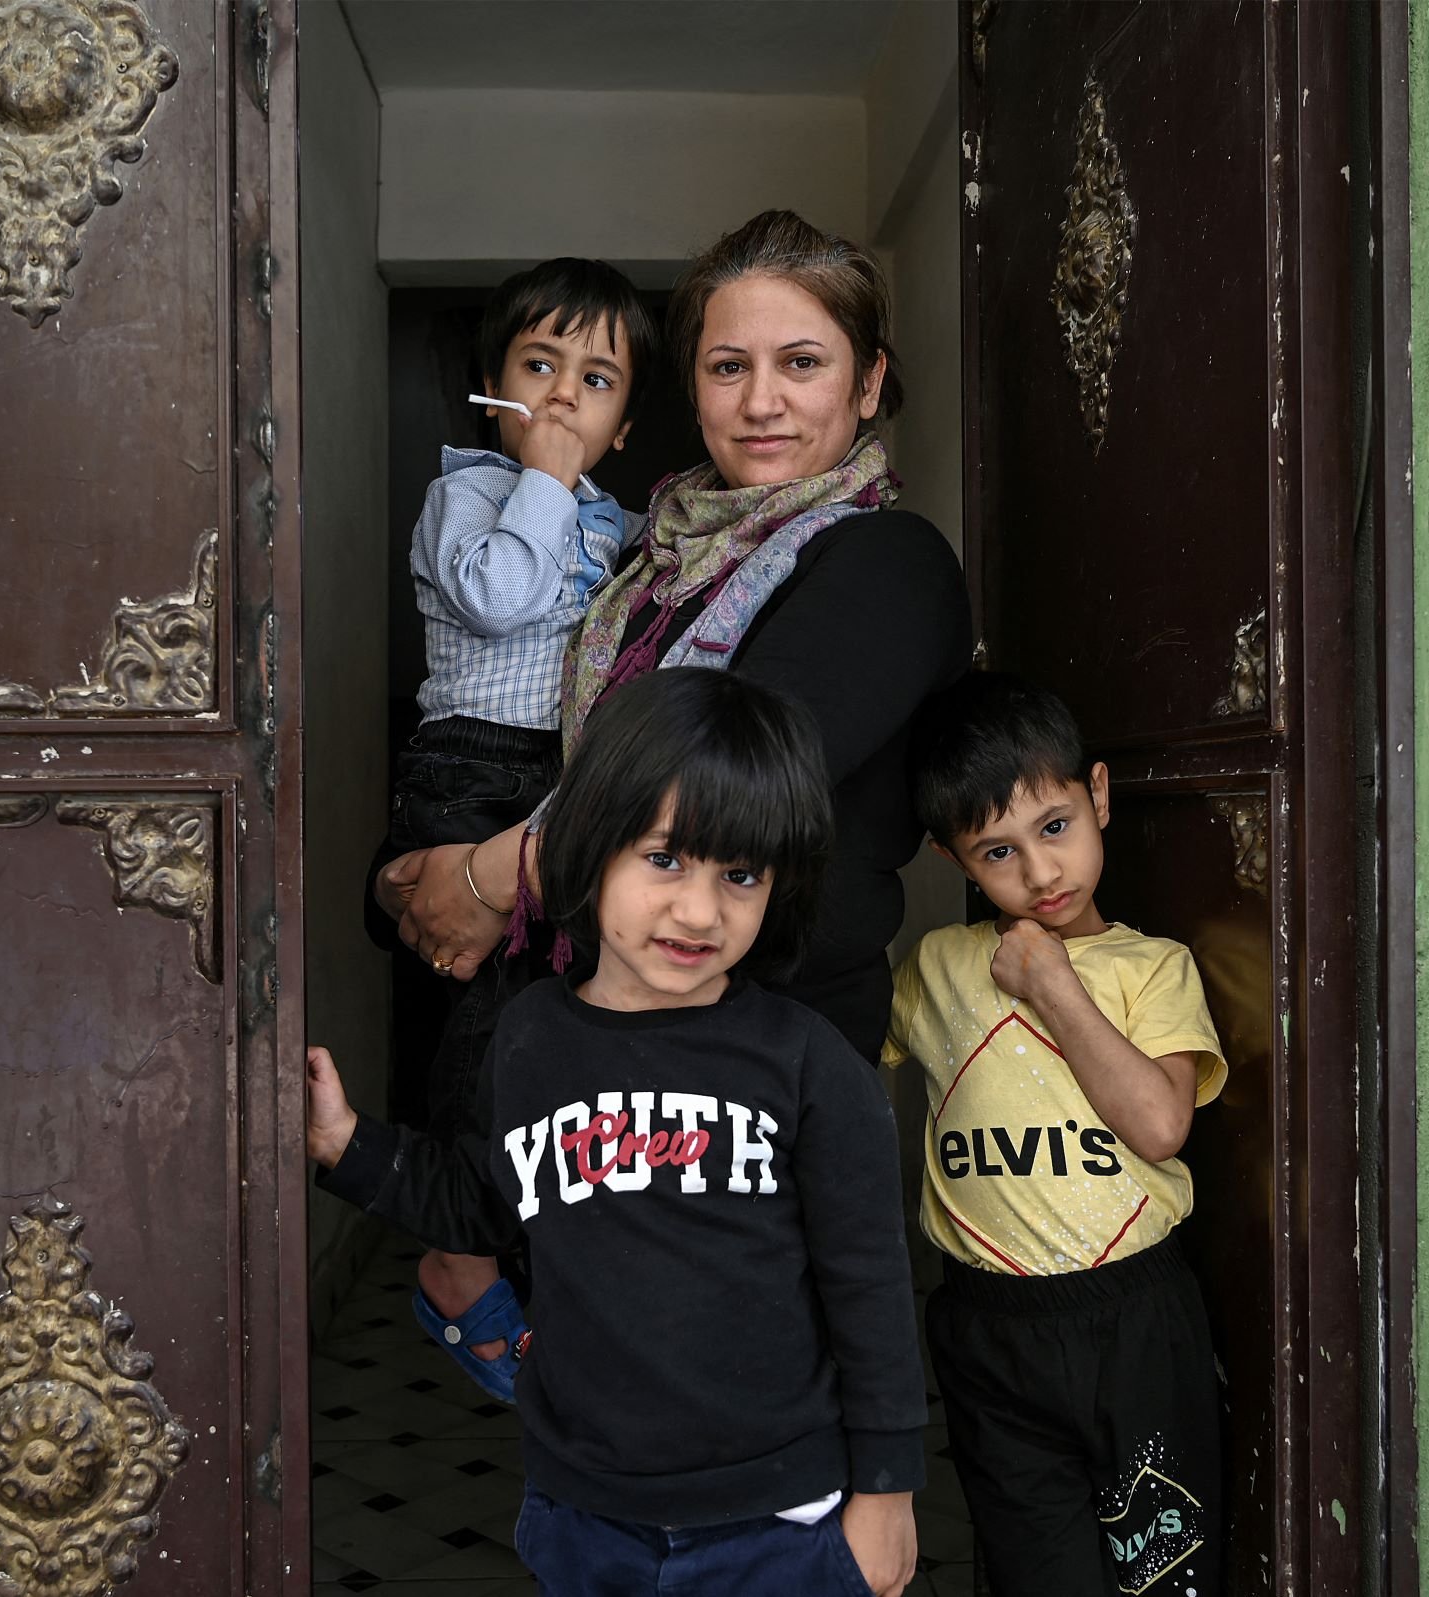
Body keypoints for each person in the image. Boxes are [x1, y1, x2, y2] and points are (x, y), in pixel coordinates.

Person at [373, 210, 973, 1399]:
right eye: (726, 364)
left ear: (868, 387)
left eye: (801, 364)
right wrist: (416, 876)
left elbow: (716, 783)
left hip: (762, 1064)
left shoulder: (885, 563)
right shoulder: (644, 556)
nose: (761, 401)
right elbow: (543, 755)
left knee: (738, 1418)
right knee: (611, 1434)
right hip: (602, 1048)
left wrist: (491, 878)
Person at [312, 669, 926, 1597]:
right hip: (585, 1510)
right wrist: (349, 1145)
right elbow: (483, 1202)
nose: (698, 910)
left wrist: (887, 1490)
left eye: (741, 874)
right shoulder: (530, 1039)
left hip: (780, 1519)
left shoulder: (805, 1065)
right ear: (591, 845)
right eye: (666, 858)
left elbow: (872, 1287)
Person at [885, 672, 1228, 1596]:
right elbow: (834, 1069)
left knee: (1166, 1578)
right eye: (997, 851)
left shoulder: (1153, 968)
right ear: (955, 861)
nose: (1040, 873)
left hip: (1135, 1322)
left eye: (1054, 827)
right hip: (990, 1328)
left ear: (1100, 797)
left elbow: (1160, 1123)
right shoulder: (936, 968)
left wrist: (1056, 984)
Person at [389, 257, 655, 873]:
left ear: (622, 428)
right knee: (461, 929)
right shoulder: (462, 495)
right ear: (492, 387)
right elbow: (498, 601)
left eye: (597, 381)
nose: (562, 393)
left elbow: (680, 553)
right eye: (539, 366)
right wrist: (545, 479)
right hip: (470, 758)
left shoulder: (611, 517)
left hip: (567, 763)